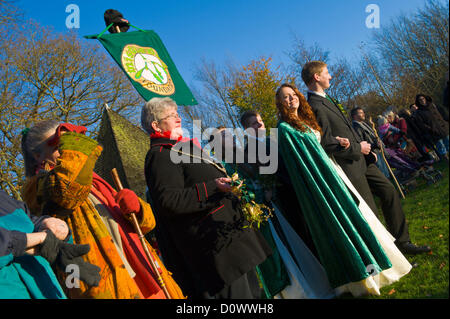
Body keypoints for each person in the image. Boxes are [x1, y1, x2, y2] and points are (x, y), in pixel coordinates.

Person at [275, 83, 412, 296]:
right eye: (285, 97)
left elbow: (318, 146)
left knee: (357, 217)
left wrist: (337, 141)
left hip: (334, 172)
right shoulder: (284, 129)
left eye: (293, 94)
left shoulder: (304, 120)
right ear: (280, 103)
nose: (291, 99)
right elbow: (300, 163)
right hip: (321, 180)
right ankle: (356, 279)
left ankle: (373, 269)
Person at [21, 120, 184, 299]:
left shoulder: (94, 180)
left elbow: (148, 225)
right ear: (37, 156)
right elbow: (67, 191)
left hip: (141, 269)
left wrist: (138, 210)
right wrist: (74, 141)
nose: (66, 150)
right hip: (103, 279)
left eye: (66, 144)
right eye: (58, 145)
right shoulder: (36, 187)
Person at [142, 97, 272, 299]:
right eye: (171, 115)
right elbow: (168, 200)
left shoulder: (181, 148)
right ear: (155, 125)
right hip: (215, 252)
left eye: (177, 113)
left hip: (230, 240)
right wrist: (213, 187)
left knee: (255, 296)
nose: (178, 118)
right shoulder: (159, 155)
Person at [302, 60, 431, 255]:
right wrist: (357, 148)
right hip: (349, 167)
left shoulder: (327, 99)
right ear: (316, 77)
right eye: (327, 72)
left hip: (363, 161)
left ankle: (402, 242)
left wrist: (365, 149)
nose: (330, 76)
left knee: (389, 192)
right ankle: (387, 258)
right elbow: (325, 142)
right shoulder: (314, 106)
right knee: (370, 213)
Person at [237, 116, 336, 299]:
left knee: (311, 230)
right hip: (281, 195)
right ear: (246, 130)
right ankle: (318, 279)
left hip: (294, 188)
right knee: (301, 234)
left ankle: (327, 273)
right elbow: (264, 173)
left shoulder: (271, 139)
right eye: (254, 123)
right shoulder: (250, 149)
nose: (260, 123)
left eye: (260, 119)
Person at [0, 190, 101, 298]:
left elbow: (30, 222)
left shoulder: (4, 198)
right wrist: (37, 239)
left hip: (47, 289)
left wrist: (48, 225)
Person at [351, 107, 390, 179]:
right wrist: (375, 145)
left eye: (363, 112)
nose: (363, 114)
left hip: (377, 150)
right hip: (373, 153)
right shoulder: (356, 127)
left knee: (387, 172)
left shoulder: (363, 124)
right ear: (355, 116)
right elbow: (362, 142)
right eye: (361, 113)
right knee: (384, 175)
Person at [414, 94, 449, 162]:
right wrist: (431, 129)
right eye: (420, 100)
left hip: (443, 128)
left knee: (448, 143)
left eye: (423, 99)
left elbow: (441, 115)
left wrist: (445, 123)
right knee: (441, 147)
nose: (422, 100)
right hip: (434, 133)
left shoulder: (433, 106)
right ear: (418, 102)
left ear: (425, 98)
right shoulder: (418, 112)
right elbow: (422, 125)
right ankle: (447, 160)